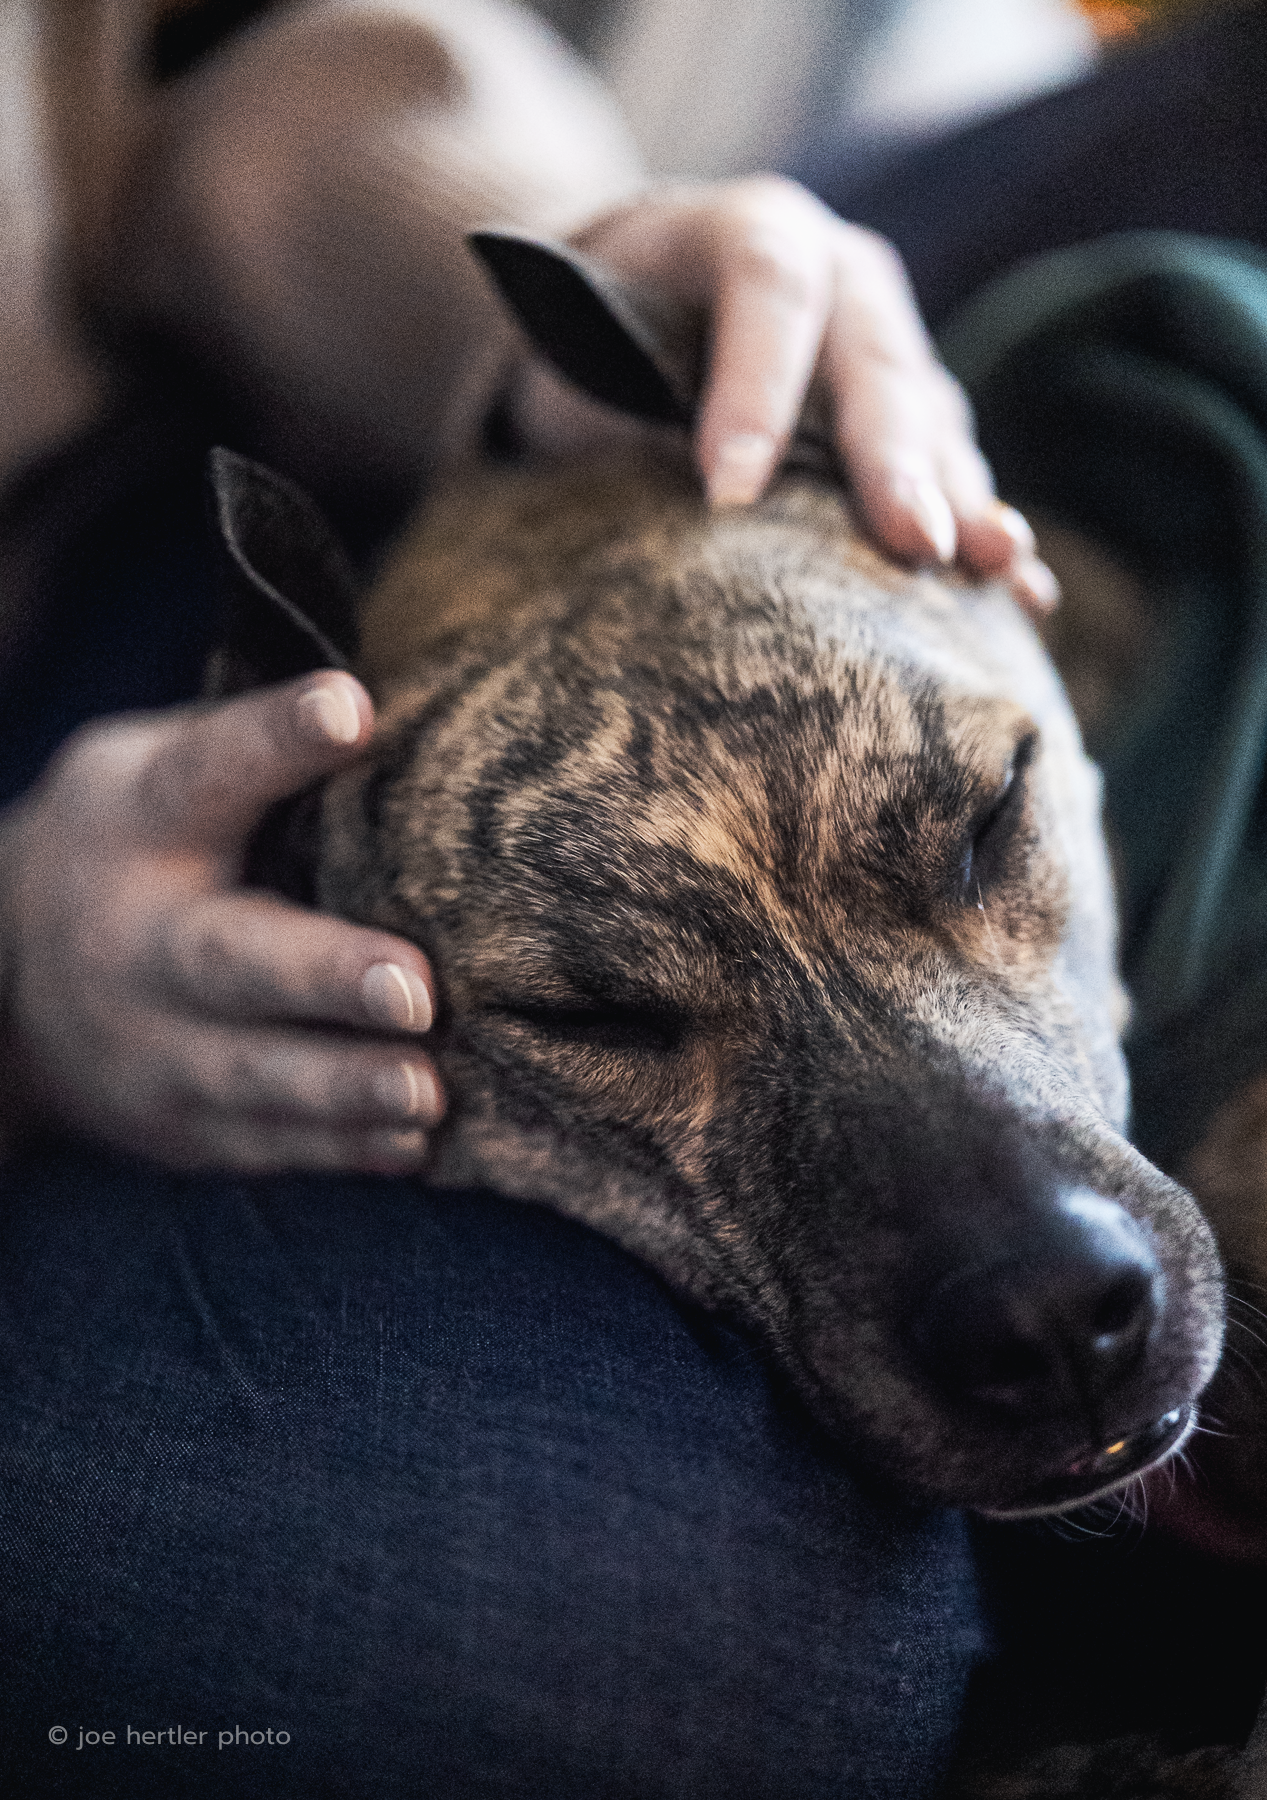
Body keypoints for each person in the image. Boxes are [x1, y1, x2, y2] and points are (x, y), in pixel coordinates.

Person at [0, 4, 1045, 1795]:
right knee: (589, 1674)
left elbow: (193, 63)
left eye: (965, 854)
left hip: (267, 402)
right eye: (620, 1009)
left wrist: (558, 307)